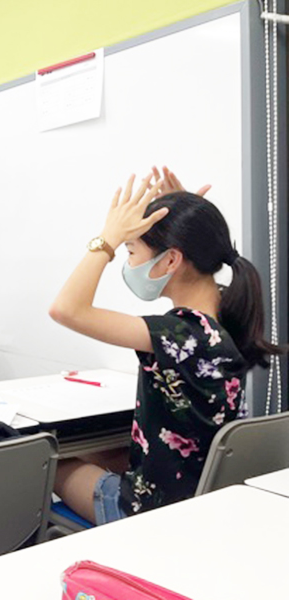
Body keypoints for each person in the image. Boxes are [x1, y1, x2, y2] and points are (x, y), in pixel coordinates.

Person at [48, 167, 286, 525]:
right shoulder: (225, 318)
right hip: (198, 496)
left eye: (131, 252)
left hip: (149, 511)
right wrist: (187, 217)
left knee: (51, 462)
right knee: (99, 452)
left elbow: (66, 309)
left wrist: (107, 240)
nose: (128, 263)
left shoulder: (178, 332)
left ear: (172, 259)